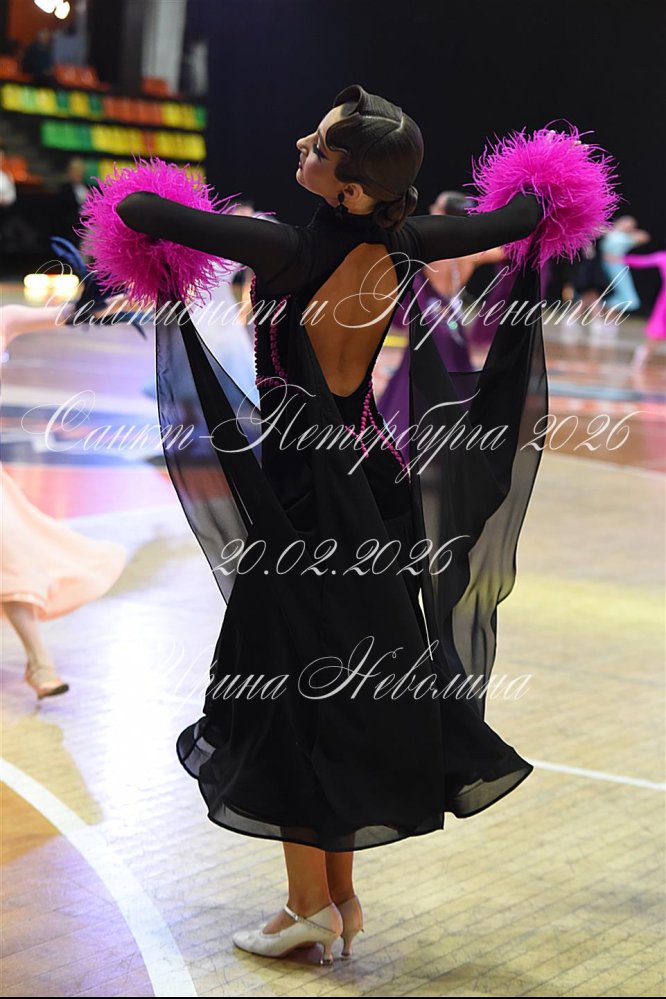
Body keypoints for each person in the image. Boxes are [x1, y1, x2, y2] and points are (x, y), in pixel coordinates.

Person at [79, 84, 610, 964]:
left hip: (301, 506)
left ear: (352, 189)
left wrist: (164, 212)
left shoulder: (285, 251)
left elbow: (137, 210)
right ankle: (338, 897)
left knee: (284, 699)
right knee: (335, 693)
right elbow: (526, 214)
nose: (303, 142)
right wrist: (540, 183)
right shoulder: (410, 241)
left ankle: (306, 907)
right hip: (371, 489)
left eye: (320, 146)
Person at [599, 215, 650, 324]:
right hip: (605, 266)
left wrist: (630, 232)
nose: (628, 225)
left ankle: (609, 318)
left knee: (628, 298)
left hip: (618, 267)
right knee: (613, 292)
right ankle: (606, 318)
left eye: (631, 225)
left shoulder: (628, 237)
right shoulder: (610, 231)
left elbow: (644, 236)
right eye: (626, 222)